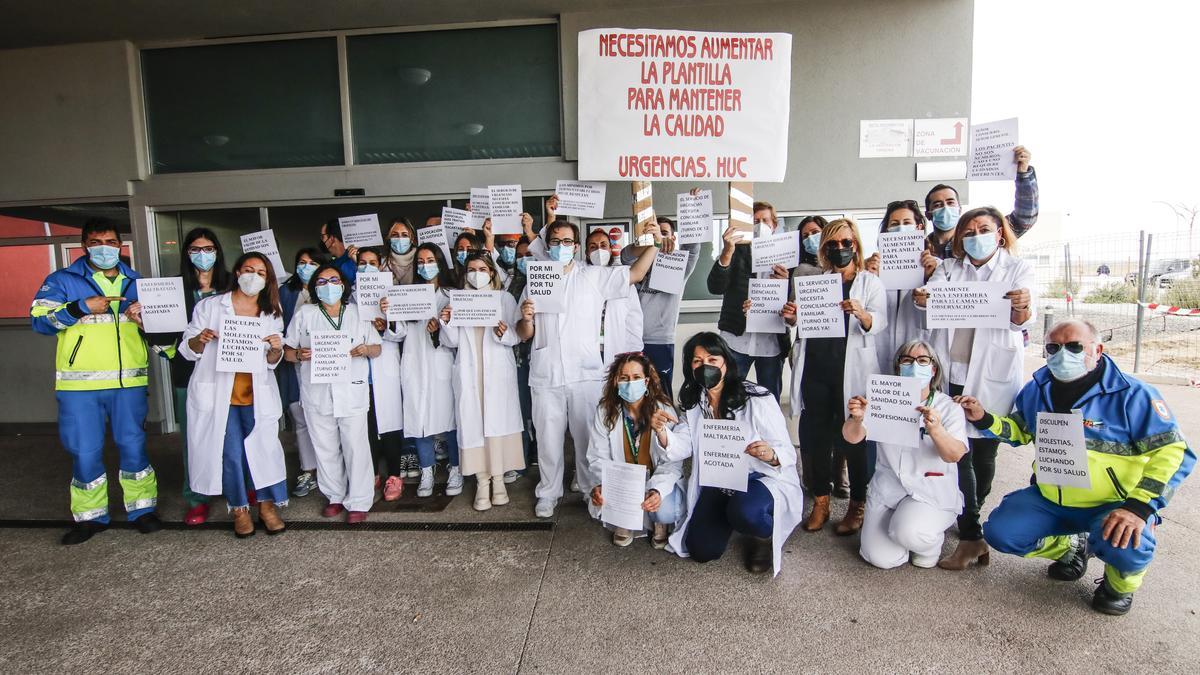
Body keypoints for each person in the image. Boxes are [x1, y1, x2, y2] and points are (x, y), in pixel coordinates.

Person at [966, 319, 1195, 615]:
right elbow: (1020, 430)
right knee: (1001, 532)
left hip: (1114, 505)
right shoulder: (1037, 388)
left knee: (1128, 544)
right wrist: (985, 419)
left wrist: (1139, 507)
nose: (1063, 354)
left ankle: (1117, 587)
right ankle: (1072, 548)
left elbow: (1174, 452)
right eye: (1053, 347)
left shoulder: (1133, 394)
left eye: (1074, 346)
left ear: (1097, 350)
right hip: (1052, 499)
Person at [913, 206, 1036, 569]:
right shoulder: (950, 268)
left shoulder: (1018, 268)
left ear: (999, 234)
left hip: (992, 372)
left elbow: (1023, 317)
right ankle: (970, 533)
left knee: (985, 453)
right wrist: (922, 300)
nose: (975, 236)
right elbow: (928, 305)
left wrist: (1022, 306)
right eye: (968, 231)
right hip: (953, 371)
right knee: (962, 450)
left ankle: (972, 513)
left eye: (983, 229)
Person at [515, 219, 660, 518]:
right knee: (548, 438)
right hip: (546, 373)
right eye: (555, 242)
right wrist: (527, 318)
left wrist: (654, 244)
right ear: (548, 245)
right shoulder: (536, 278)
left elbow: (635, 273)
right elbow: (523, 333)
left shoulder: (594, 276)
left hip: (586, 372)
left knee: (586, 438)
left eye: (567, 242)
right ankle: (548, 492)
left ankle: (588, 488)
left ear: (576, 247)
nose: (561, 247)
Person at [31, 218, 161, 545]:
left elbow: (162, 332)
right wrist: (78, 308)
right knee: (85, 451)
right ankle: (90, 517)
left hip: (128, 383)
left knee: (134, 446)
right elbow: (40, 322)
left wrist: (145, 321)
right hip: (79, 387)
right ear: (85, 245)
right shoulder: (63, 280)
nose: (105, 248)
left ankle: (142, 509)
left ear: (121, 246)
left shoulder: (138, 282)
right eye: (97, 241)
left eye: (111, 242)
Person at [659, 332, 803, 576]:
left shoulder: (757, 398)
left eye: (712, 360)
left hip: (758, 478)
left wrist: (770, 454)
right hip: (720, 480)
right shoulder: (694, 402)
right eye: (697, 361)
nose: (705, 366)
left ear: (726, 362)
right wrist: (662, 432)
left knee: (745, 512)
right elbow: (683, 446)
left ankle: (763, 534)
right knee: (701, 550)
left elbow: (786, 451)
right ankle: (731, 514)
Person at [779, 218, 885, 535]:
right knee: (816, 438)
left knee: (854, 440)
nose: (840, 249)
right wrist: (794, 317)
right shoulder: (816, 281)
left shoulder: (870, 283)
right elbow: (803, 325)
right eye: (833, 245)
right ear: (824, 249)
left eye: (846, 243)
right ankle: (821, 502)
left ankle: (857, 505)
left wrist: (863, 314)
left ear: (855, 245)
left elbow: (880, 323)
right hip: (817, 369)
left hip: (852, 371)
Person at [180, 252, 289, 538]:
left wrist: (276, 347)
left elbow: (273, 359)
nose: (254, 276)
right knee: (231, 454)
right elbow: (187, 349)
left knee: (262, 450)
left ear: (268, 281)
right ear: (238, 272)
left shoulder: (271, 312)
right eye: (249, 269)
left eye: (262, 273)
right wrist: (199, 340)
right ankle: (239, 509)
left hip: (256, 394)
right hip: (219, 395)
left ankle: (267, 507)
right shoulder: (210, 307)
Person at [845, 340, 967, 569]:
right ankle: (901, 533)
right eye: (907, 360)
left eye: (922, 361)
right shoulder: (881, 399)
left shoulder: (949, 407)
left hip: (930, 490)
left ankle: (928, 544)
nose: (914, 366)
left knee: (909, 532)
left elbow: (954, 455)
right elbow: (852, 437)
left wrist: (937, 431)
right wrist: (857, 419)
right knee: (879, 558)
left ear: (933, 370)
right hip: (889, 487)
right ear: (898, 367)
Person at [283, 264, 382, 523]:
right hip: (317, 391)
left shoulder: (357, 312)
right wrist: (299, 355)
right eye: (322, 282)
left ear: (343, 284)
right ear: (315, 288)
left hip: (352, 390)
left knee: (356, 445)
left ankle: (359, 500)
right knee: (325, 446)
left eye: (334, 280)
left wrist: (364, 350)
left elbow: (377, 348)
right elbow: (287, 351)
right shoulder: (305, 313)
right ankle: (335, 496)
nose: (329, 286)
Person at [153, 228, 231, 525]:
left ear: (217, 252)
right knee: (194, 438)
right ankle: (196, 497)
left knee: (231, 436)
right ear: (187, 254)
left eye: (208, 248)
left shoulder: (231, 284)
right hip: (189, 374)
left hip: (229, 371)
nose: (203, 255)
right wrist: (145, 323)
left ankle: (234, 488)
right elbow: (163, 340)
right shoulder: (173, 291)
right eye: (195, 249)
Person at [439, 252, 524, 510]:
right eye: (472, 269)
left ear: (492, 272)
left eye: (483, 268)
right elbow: (451, 342)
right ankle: (481, 481)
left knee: (496, 425)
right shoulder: (457, 300)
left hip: (497, 373)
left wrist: (504, 333)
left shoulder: (505, 299)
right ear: (465, 274)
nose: (477, 273)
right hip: (469, 372)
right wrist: (446, 321)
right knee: (474, 426)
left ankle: (498, 480)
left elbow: (517, 336)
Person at [382, 243, 461, 499]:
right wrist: (390, 315)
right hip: (414, 365)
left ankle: (456, 469)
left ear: (439, 263)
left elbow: (457, 340)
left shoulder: (451, 296)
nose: (426, 266)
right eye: (421, 262)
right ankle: (427, 471)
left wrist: (442, 327)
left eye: (430, 260)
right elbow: (399, 333)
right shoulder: (407, 294)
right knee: (419, 421)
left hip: (442, 365)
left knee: (449, 421)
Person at [587, 352, 685, 549]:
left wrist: (658, 489)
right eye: (624, 378)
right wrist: (601, 483)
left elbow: (673, 461)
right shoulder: (605, 411)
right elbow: (598, 456)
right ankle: (625, 519)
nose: (630, 383)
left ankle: (659, 521)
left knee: (664, 510)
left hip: (654, 477)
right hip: (622, 482)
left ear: (647, 381)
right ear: (616, 381)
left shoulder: (663, 410)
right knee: (602, 497)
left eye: (636, 378)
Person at [707, 201, 789, 400]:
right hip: (736, 339)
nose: (759, 225)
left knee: (769, 402)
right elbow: (715, 287)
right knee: (727, 397)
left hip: (771, 342)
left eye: (764, 220)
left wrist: (785, 284)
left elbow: (796, 302)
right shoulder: (734, 251)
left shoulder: (787, 255)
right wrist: (727, 251)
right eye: (754, 221)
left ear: (774, 225)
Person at [624, 214, 701, 390]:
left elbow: (694, 246)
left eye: (663, 233)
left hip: (660, 341)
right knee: (632, 391)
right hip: (631, 339)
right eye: (652, 233)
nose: (658, 236)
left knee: (661, 392)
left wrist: (692, 207)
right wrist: (653, 243)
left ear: (673, 238)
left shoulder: (681, 265)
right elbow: (625, 254)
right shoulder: (635, 263)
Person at [353, 247, 406, 501]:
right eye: (362, 263)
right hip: (359, 369)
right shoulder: (349, 296)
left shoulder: (392, 294)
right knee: (366, 424)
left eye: (372, 263)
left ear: (382, 265)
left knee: (390, 424)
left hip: (384, 368)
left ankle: (394, 475)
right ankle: (371, 472)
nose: (367, 267)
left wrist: (388, 322)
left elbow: (401, 332)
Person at [923, 146, 1039, 259]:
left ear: (959, 209)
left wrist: (1022, 174)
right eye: (938, 205)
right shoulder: (919, 247)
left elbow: (1024, 219)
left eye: (950, 203)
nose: (945, 208)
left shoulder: (983, 235)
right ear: (928, 214)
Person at [278, 247, 326, 499]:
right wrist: (294, 354)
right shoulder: (286, 292)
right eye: (301, 262)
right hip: (296, 365)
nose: (306, 267)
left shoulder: (332, 291)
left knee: (327, 418)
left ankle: (330, 471)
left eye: (312, 263)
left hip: (328, 366)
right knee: (300, 417)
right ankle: (308, 470)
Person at [585, 226, 645, 365]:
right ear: (587, 253)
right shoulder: (580, 275)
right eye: (593, 247)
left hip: (617, 349)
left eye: (603, 245)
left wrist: (635, 353)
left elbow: (634, 320)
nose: (598, 250)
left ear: (611, 250)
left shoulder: (624, 277)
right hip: (586, 350)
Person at [320, 218, 359, 284]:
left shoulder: (354, 261)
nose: (322, 240)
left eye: (322, 237)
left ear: (332, 239)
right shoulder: (331, 264)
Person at [385, 217, 419, 285]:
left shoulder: (421, 260)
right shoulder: (382, 263)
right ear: (389, 238)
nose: (400, 238)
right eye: (395, 235)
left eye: (405, 235)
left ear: (412, 239)